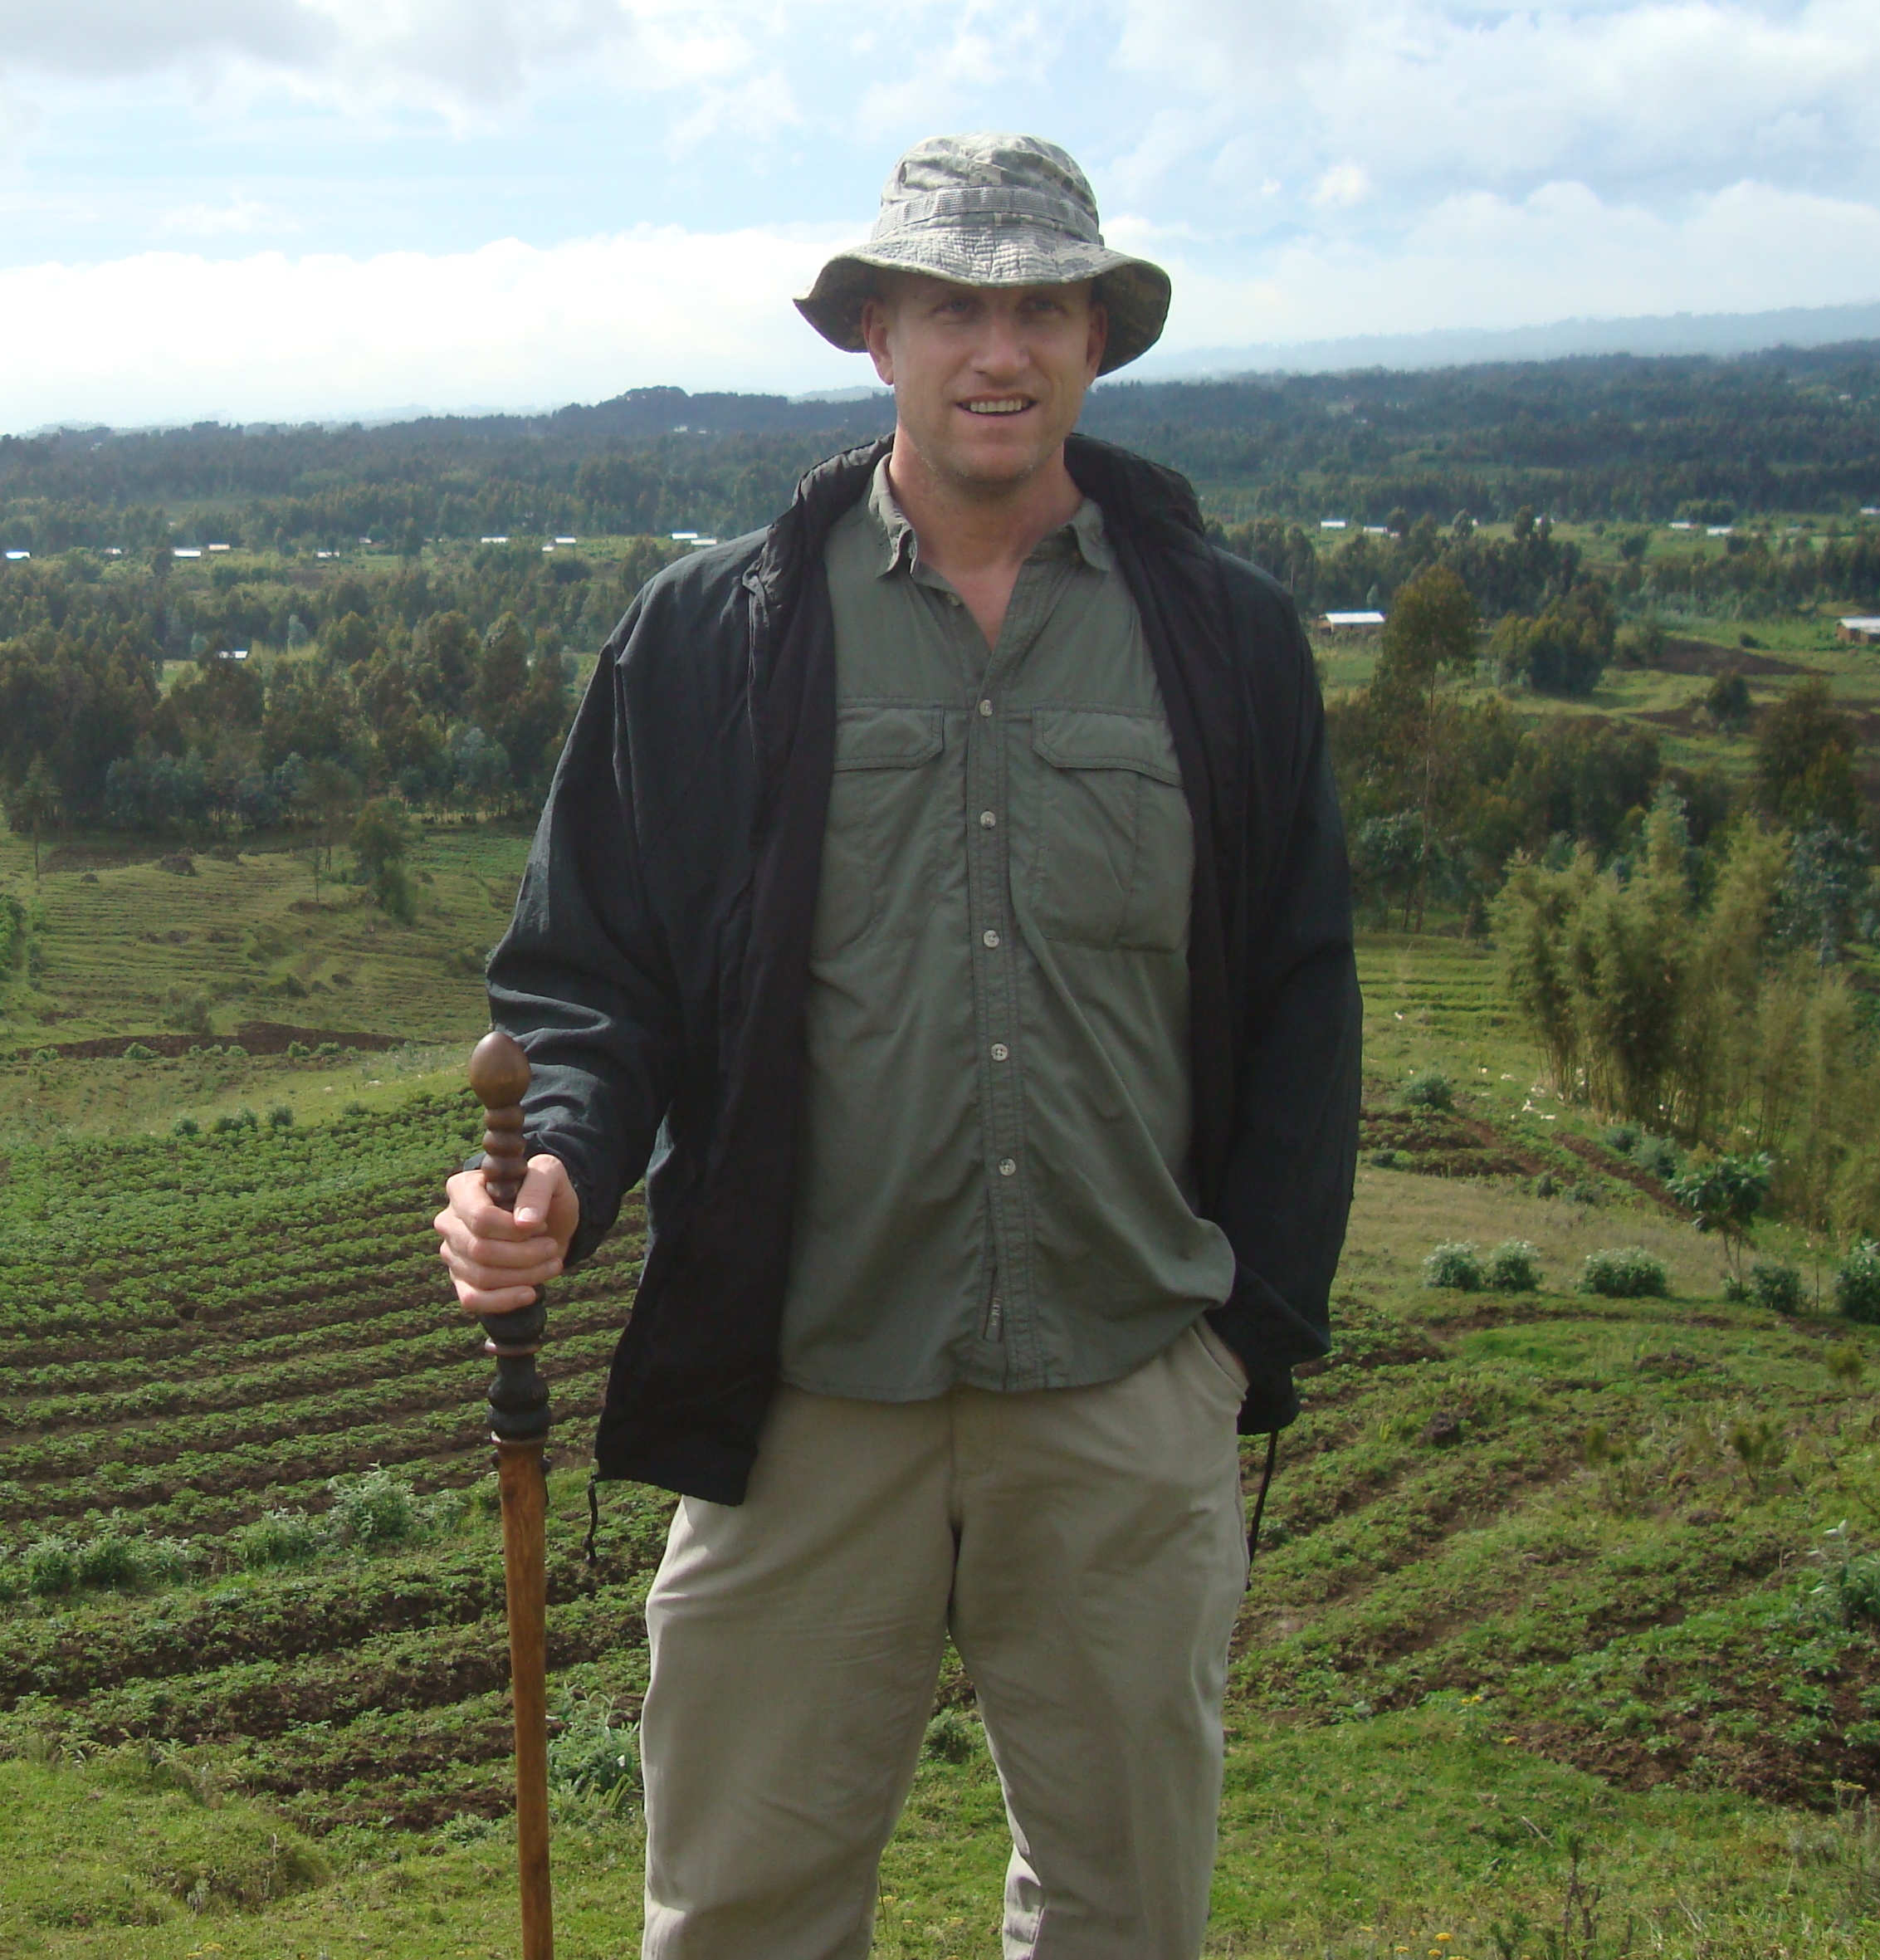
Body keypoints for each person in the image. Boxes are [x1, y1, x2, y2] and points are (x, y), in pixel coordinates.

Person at [435, 132, 1360, 1960]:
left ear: (1096, 339)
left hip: (1124, 1383)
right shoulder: (712, 634)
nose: (997, 350)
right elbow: (592, 978)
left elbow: (1298, 996)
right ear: (876, 336)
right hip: (804, 1395)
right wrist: (560, 1170)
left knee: (1125, 1919)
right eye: (952, 306)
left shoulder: (1226, 640)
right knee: (743, 1917)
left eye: (1041, 308)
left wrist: (1238, 1339)